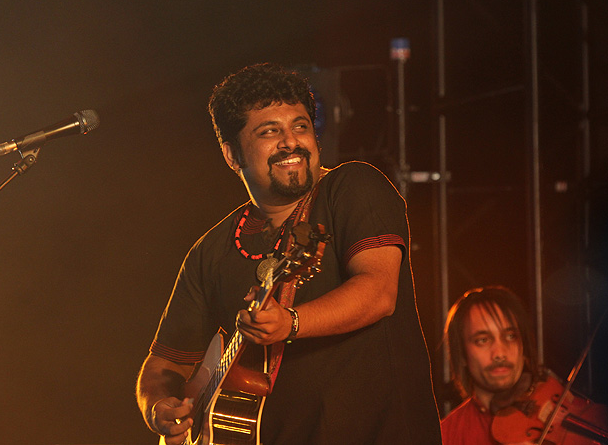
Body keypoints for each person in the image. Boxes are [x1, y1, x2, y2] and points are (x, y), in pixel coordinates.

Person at [136, 63, 442, 445]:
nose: (290, 142)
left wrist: (291, 322)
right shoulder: (209, 252)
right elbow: (164, 363)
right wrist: (158, 406)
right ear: (232, 155)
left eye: (300, 126)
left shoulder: (353, 186)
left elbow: (379, 291)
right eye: (269, 131)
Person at [441, 285, 608, 445]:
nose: (500, 353)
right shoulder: (445, 436)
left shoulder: (578, 412)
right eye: (483, 340)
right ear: (462, 354)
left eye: (510, 336)